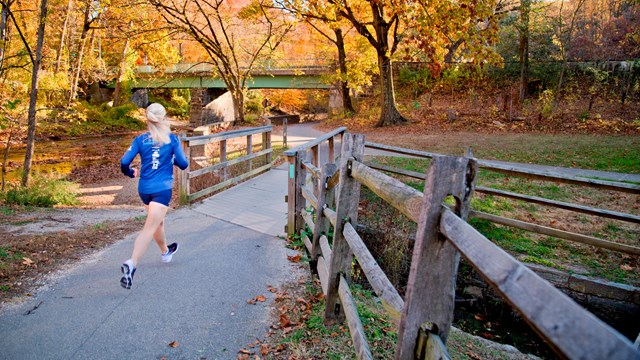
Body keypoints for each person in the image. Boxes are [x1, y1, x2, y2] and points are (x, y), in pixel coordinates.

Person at [119, 103, 189, 289]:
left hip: (144, 190)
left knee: (157, 222)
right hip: (162, 189)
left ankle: (166, 252)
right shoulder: (172, 139)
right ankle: (132, 264)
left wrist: (129, 173)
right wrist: (172, 159)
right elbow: (183, 164)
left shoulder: (140, 139)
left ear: (148, 120)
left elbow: (124, 161)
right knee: (149, 228)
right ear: (164, 118)